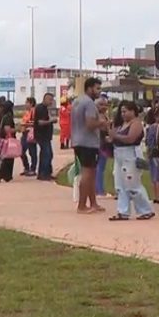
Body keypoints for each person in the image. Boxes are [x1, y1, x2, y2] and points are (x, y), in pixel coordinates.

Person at [108, 101, 155, 221]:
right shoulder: (121, 124)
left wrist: (115, 136)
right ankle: (123, 211)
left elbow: (130, 138)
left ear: (133, 111)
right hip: (118, 154)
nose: (123, 114)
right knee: (120, 184)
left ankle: (146, 209)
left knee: (132, 184)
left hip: (130, 154)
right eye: (122, 111)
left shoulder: (136, 124)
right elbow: (113, 137)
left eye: (125, 111)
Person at [72, 77, 107, 214]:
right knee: (87, 174)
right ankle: (81, 205)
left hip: (78, 140)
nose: (99, 91)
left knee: (91, 173)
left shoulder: (77, 101)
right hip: (88, 142)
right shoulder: (89, 104)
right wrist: (102, 123)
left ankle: (93, 203)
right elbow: (90, 124)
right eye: (97, 88)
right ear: (89, 88)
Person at [33, 93, 57, 181]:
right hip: (41, 135)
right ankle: (43, 173)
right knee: (47, 154)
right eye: (50, 100)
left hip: (46, 136)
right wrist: (51, 121)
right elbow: (40, 122)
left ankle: (46, 172)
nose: (51, 102)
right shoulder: (40, 108)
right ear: (45, 99)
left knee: (47, 154)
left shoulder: (46, 109)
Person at [95, 96, 114, 198]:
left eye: (105, 104)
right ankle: (99, 190)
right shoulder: (97, 116)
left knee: (100, 167)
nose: (104, 107)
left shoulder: (104, 115)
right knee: (100, 167)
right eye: (101, 104)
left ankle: (98, 189)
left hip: (104, 144)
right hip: (100, 144)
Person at [0, 101, 18, 183]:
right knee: (9, 158)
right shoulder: (8, 117)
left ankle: (6, 176)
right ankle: (3, 175)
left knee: (7, 157)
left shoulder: (4, 116)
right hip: (8, 139)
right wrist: (18, 129)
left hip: (4, 139)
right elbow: (7, 129)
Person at [19, 97, 38, 177]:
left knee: (32, 152)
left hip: (30, 133)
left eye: (27, 102)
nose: (25, 104)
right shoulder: (27, 112)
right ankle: (26, 167)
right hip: (24, 133)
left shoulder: (34, 111)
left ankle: (33, 169)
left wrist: (26, 125)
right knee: (21, 151)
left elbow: (35, 123)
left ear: (31, 103)